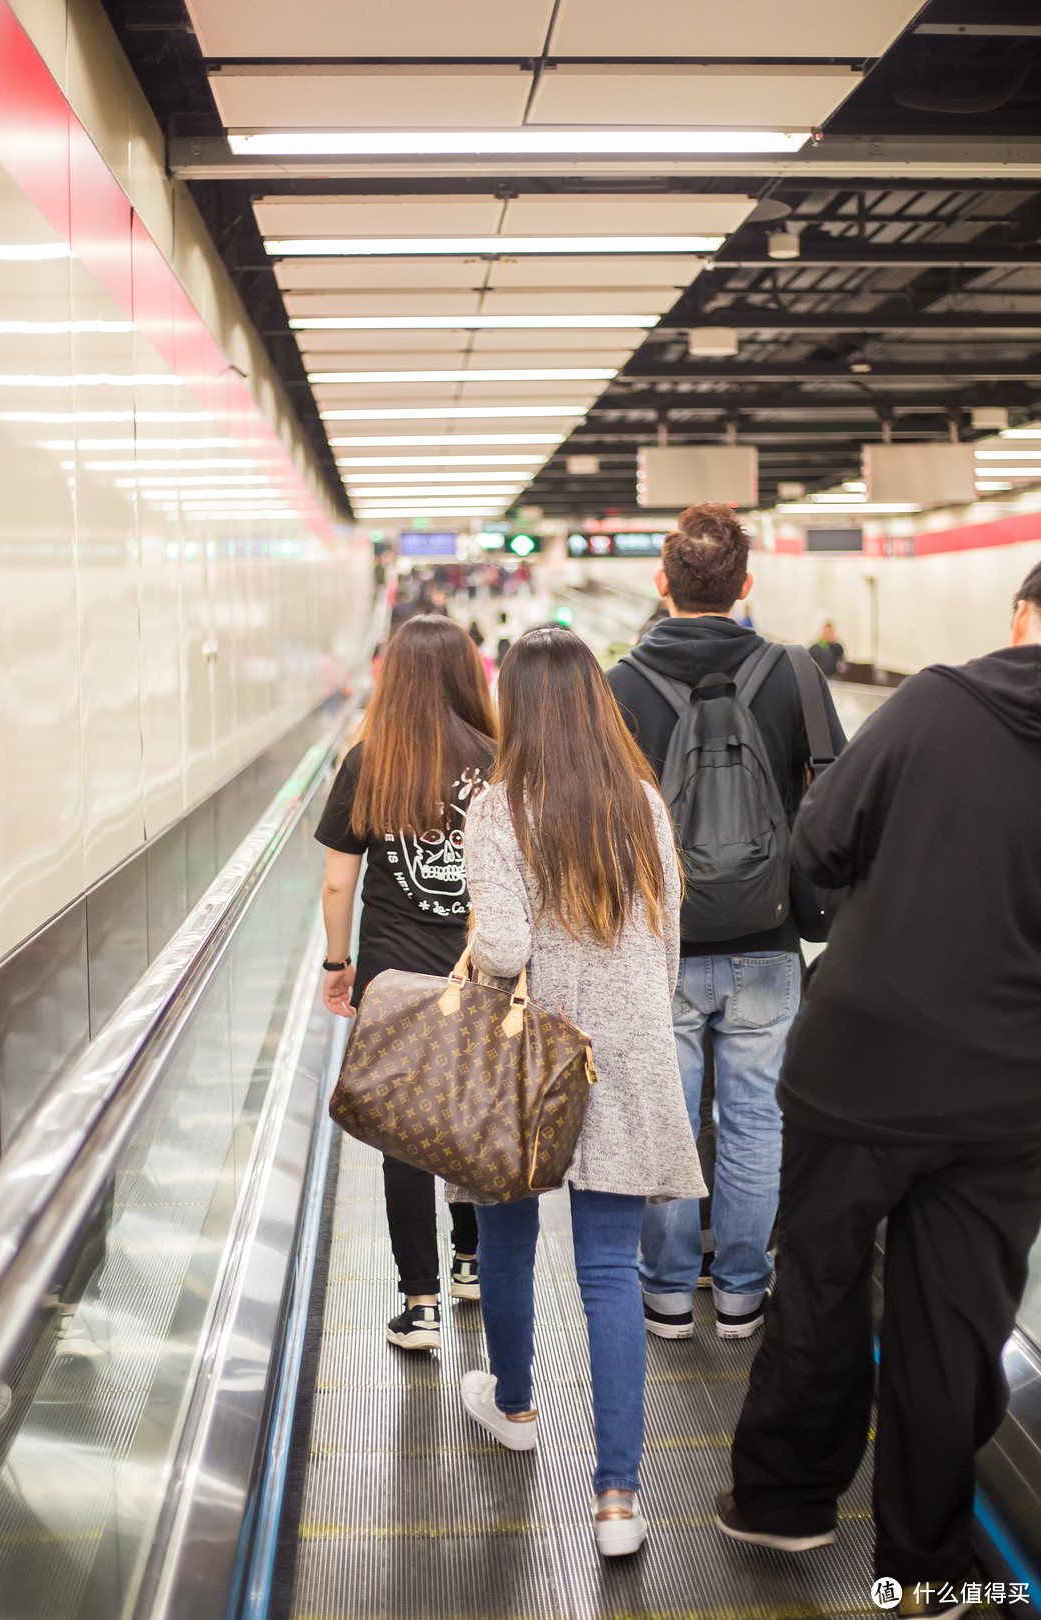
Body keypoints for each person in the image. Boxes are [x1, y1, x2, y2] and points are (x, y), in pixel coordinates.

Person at [716, 561, 1041, 1620]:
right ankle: (927, 1568)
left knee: (820, 1282)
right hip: (1009, 1098)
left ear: (1021, 617)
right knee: (953, 1330)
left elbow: (819, 842)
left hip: (860, 1067)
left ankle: (784, 1501)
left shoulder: (938, 701)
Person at [456, 628, 704, 1558]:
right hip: (629, 1048)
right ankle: (616, 1502)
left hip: (534, 1057)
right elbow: (672, 936)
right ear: (598, 702)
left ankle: (515, 1406)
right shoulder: (641, 800)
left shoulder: (499, 806)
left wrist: (482, 953)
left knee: (507, 1233)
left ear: (513, 706)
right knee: (609, 1271)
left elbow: (508, 950)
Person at [607, 505, 845, 1341]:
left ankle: (667, 1293)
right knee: (755, 1119)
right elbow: (837, 801)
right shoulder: (796, 672)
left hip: (658, 944)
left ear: (661, 582)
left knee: (667, 1118)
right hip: (769, 940)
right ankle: (743, 1290)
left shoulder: (619, 684)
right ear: (746, 586)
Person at [315, 616, 496, 1351]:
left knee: (405, 1139)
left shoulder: (370, 761)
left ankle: (419, 1306)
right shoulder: (499, 759)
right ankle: (470, 1263)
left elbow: (337, 881)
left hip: (391, 973)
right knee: (471, 1120)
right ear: (467, 674)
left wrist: (337, 964)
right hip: (480, 968)